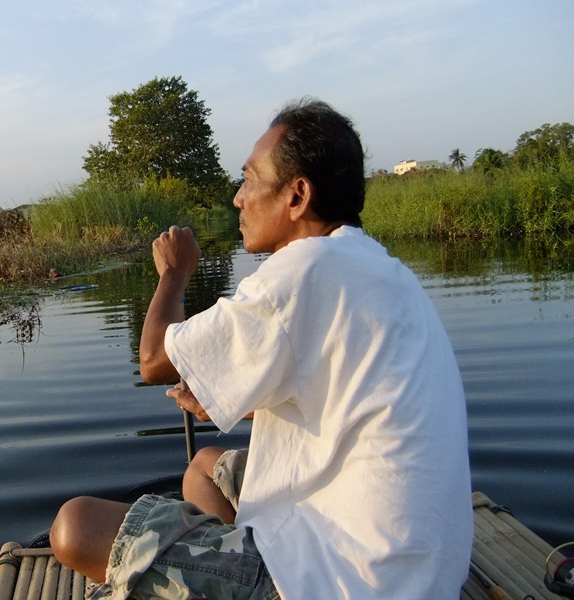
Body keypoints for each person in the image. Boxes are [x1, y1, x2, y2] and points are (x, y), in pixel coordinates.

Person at [49, 98, 472, 599]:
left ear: (297, 196)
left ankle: (252, 580)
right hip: (423, 572)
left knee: (75, 528)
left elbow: (155, 361)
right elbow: (347, 397)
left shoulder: (298, 274)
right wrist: (243, 400)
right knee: (205, 467)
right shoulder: (383, 269)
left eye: (249, 180)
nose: (237, 198)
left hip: (350, 582)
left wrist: (174, 275)